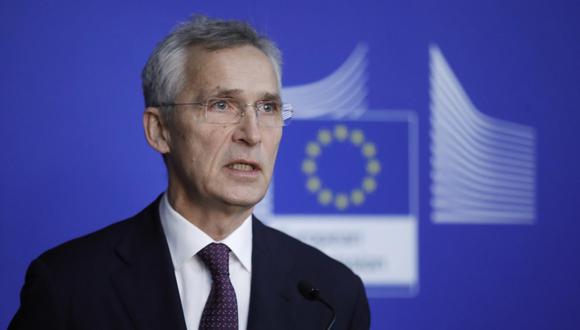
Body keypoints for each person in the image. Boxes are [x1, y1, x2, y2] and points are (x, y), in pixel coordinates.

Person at [9, 15, 370, 330]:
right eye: (222, 105)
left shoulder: (333, 294)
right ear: (159, 130)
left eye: (267, 107)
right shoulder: (68, 285)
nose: (252, 133)